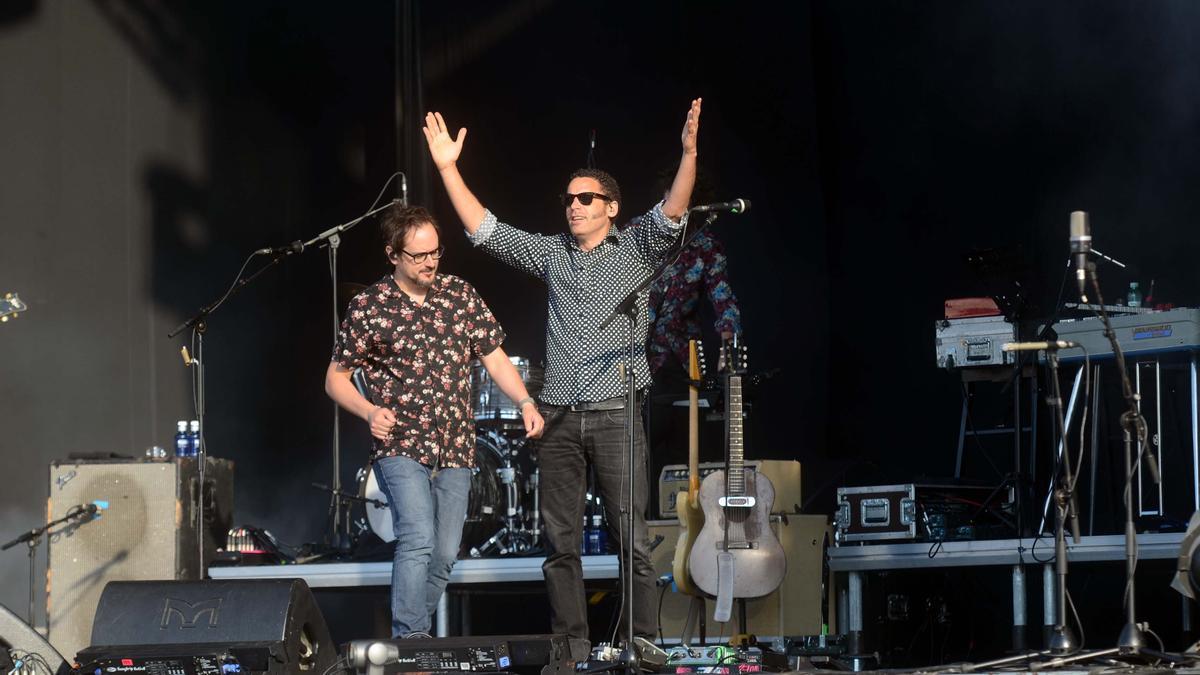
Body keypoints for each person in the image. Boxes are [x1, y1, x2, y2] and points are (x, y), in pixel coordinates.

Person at [421, 99, 701, 645]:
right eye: (569, 199)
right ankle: (571, 652)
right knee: (560, 546)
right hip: (559, 416)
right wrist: (448, 168)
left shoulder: (638, 247)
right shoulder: (553, 253)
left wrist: (689, 153)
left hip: (616, 411)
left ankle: (640, 646)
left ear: (611, 206)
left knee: (634, 542)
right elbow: (486, 231)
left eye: (586, 198)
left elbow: (672, 210)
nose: (573, 206)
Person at [324, 204, 545, 639]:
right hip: (401, 444)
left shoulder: (459, 295)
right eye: (418, 255)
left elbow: (494, 356)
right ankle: (411, 639)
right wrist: (369, 411)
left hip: (457, 444)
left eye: (435, 253)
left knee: (444, 551)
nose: (429, 263)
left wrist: (523, 400)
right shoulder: (370, 307)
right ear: (393, 254)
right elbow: (335, 379)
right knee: (418, 536)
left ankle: (410, 633)